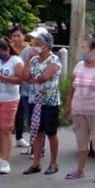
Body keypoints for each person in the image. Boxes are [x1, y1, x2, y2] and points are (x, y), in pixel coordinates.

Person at [64, 36, 95, 182]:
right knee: (82, 141)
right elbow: (72, 88)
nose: (82, 51)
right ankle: (80, 169)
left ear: (93, 50)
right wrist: (68, 106)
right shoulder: (79, 66)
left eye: (84, 48)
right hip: (79, 110)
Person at [22, 30, 61, 175]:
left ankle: (53, 163)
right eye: (34, 43)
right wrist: (28, 61)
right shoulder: (33, 60)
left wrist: (34, 78)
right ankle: (36, 163)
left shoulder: (54, 60)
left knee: (51, 132)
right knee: (37, 132)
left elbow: (44, 77)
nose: (35, 46)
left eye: (38, 43)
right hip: (35, 100)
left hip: (49, 101)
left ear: (46, 45)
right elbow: (25, 77)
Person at [0, 38, 23, 175]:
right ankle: (0, 157)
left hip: (9, 98)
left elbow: (21, 79)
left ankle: (6, 161)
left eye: (1, 51)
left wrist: (3, 77)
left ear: (7, 49)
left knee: (6, 129)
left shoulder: (16, 61)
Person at [10, 26, 34, 149]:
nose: (16, 38)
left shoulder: (28, 50)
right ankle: (5, 139)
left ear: (23, 36)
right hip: (11, 83)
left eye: (18, 35)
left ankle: (19, 137)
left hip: (24, 86)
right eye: (13, 36)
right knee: (9, 113)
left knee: (22, 112)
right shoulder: (8, 48)